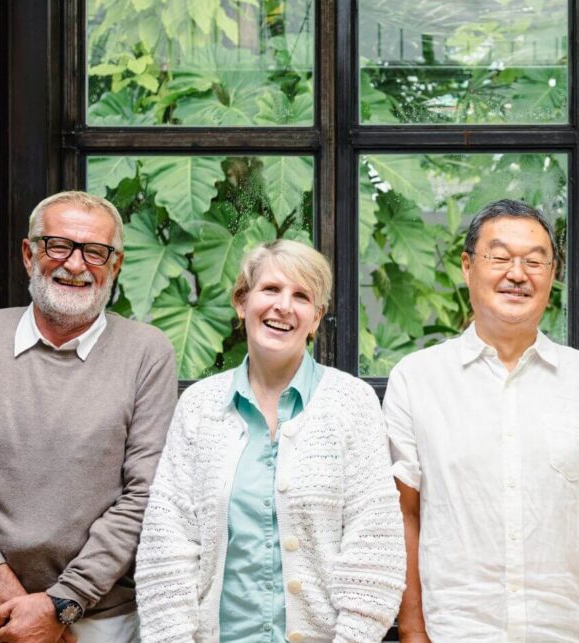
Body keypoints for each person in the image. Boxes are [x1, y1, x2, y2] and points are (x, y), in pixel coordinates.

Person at [0, 191, 178, 642]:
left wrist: (61, 605)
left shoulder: (146, 353)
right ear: (29, 253)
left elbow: (145, 496)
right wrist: (9, 600)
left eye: (96, 252)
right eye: (59, 245)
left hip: (99, 620)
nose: (76, 265)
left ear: (115, 265)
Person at [384, 199, 579, 642]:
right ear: (467, 266)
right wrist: (412, 631)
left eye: (535, 261)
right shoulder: (417, 379)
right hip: (455, 633)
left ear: (553, 273)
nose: (517, 274)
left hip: (566, 633)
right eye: (499, 258)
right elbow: (404, 511)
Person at [135, 239, 405, 642]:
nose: (284, 306)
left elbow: (375, 543)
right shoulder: (199, 406)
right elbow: (166, 545)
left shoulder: (352, 402)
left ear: (316, 319)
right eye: (271, 290)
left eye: (301, 296)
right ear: (242, 302)